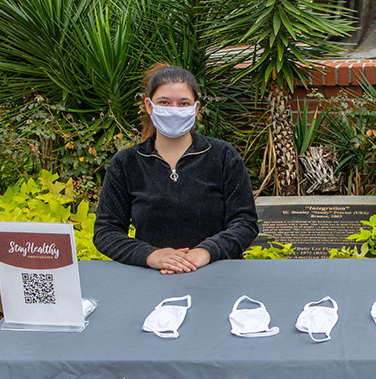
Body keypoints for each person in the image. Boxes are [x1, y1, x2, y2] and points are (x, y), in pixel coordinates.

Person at [94, 64, 259, 274]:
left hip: (219, 278)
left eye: (183, 103)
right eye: (164, 102)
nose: (174, 110)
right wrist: (152, 255)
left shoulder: (223, 156)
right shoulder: (126, 163)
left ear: (196, 108)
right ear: (149, 105)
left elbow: (245, 222)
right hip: (152, 280)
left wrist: (205, 252)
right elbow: (106, 232)